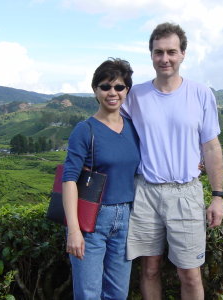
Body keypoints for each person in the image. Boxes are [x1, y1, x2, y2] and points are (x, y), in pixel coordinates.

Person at [121, 22, 223, 300]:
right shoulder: (135, 96)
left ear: (182, 54)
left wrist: (217, 196)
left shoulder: (201, 93)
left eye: (171, 52)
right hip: (146, 192)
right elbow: (113, 128)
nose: (164, 58)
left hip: (186, 192)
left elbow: (211, 147)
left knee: (190, 274)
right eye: (158, 52)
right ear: (151, 55)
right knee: (150, 268)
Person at [62, 58, 140, 300]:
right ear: (95, 90)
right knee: (88, 294)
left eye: (119, 87)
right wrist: (74, 230)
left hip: (126, 218)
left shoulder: (133, 128)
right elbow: (69, 180)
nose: (112, 92)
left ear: (127, 90)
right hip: (91, 222)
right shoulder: (85, 130)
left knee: (118, 293)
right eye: (105, 86)